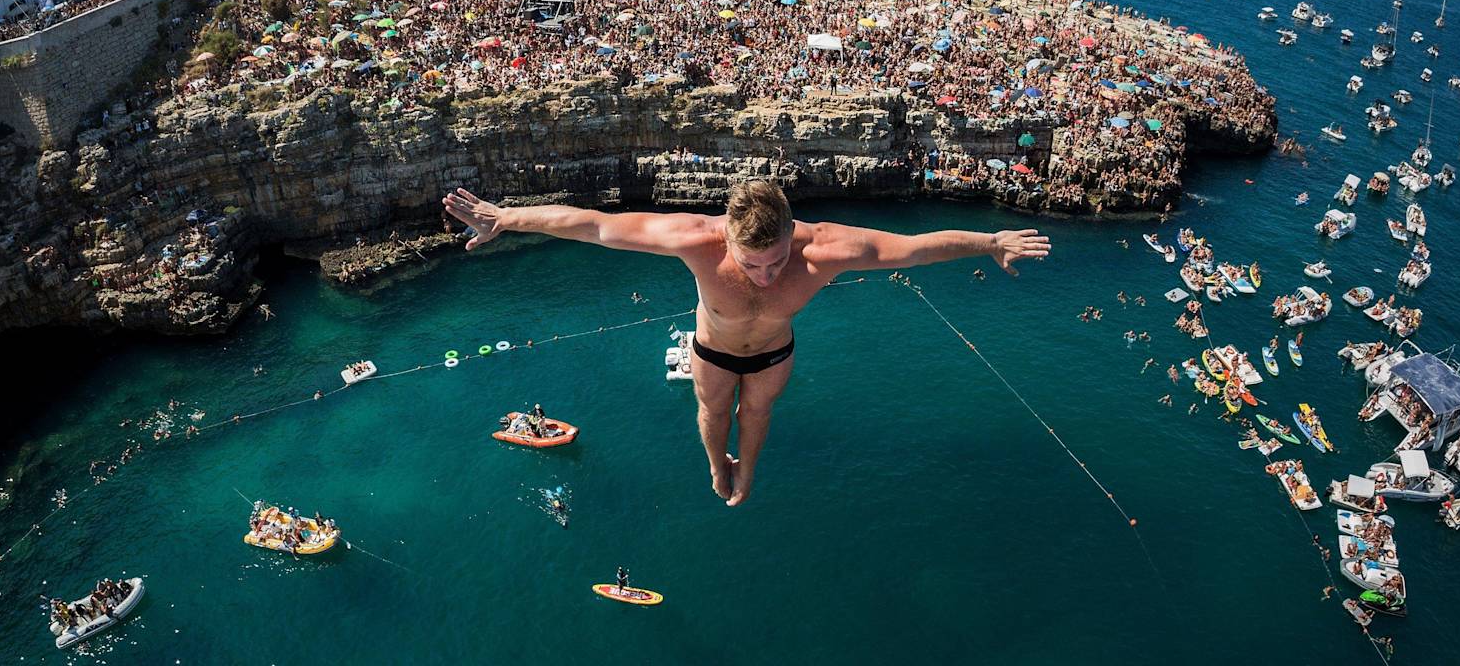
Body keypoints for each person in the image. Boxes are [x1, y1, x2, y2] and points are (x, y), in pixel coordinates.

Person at [443, 180, 1050, 507]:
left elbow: (917, 247)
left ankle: (748, 467)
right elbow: (593, 225)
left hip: (773, 354)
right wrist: (507, 218)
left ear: (792, 233)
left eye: (776, 261)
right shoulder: (695, 239)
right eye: (751, 264)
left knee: (758, 410)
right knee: (713, 409)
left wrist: (990, 239)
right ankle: (716, 463)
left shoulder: (827, 249)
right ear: (726, 239)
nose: (765, 276)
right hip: (710, 352)